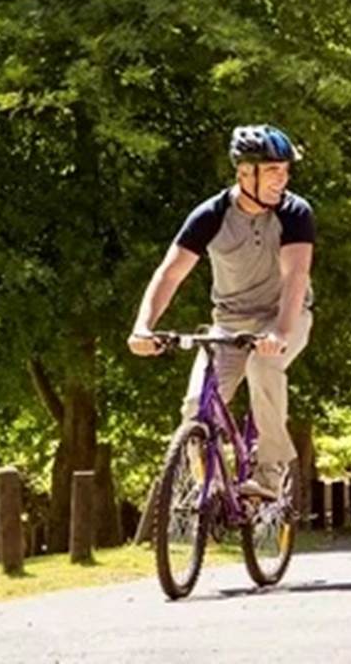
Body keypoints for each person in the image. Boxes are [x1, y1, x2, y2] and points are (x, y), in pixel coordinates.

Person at [128, 124, 315, 499]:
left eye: (285, 170)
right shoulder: (211, 215)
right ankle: (210, 489)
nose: (283, 178)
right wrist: (143, 327)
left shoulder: (295, 212)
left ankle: (270, 471)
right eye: (274, 170)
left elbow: (296, 275)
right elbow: (170, 273)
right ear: (245, 172)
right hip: (229, 324)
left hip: (285, 316)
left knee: (264, 365)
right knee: (197, 405)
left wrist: (279, 331)